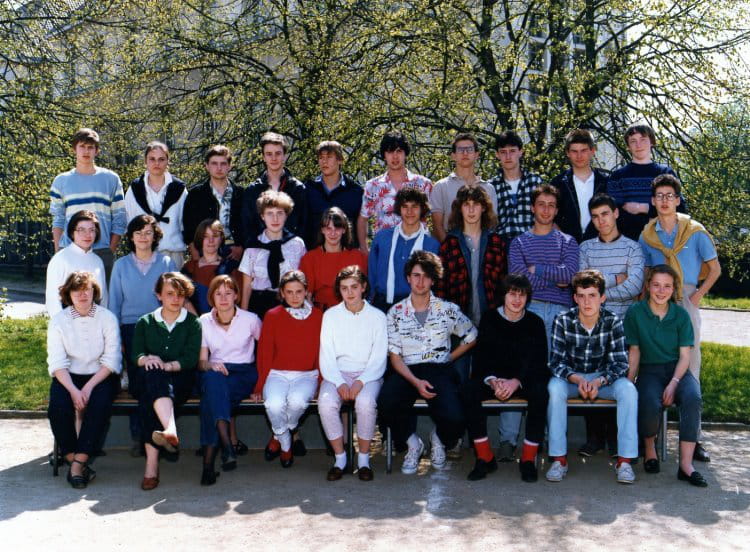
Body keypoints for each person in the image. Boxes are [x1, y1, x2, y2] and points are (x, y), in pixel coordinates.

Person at [639, 174, 721, 462]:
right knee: (654, 360)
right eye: (659, 196)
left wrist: (696, 297)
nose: (664, 201)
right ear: (653, 201)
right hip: (657, 298)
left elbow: (714, 268)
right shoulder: (647, 235)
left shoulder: (694, 231)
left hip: (685, 295)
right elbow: (646, 272)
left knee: (691, 364)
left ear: (677, 200)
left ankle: (694, 438)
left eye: (670, 196)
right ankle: (650, 435)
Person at [377, 251, 477, 474]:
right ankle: (413, 444)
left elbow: (471, 335)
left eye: (426, 276)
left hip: (439, 369)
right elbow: (395, 357)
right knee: (385, 402)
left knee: (456, 416)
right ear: (408, 278)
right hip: (407, 370)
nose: (420, 281)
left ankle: (438, 438)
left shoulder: (447, 309)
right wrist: (415, 382)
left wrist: (450, 357)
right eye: (416, 275)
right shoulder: (395, 312)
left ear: (433, 280)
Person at [546, 270, 638, 484]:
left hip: (602, 379)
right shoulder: (563, 320)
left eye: (592, 295)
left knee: (628, 390)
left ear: (602, 297)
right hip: (572, 378)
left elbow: (620, 363)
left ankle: (624, 461)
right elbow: (556, 362)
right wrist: (577, 379)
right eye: (581, 296)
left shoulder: (613, 321)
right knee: (554, 389)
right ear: (575, 298)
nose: (587, 302)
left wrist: (599, 381)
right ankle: (559, 459)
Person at [459, 274, 548, 482]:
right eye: (512, 294)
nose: (517, 300)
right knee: (468, 390)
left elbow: (539, 361)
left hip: (522, 380)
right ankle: (485, 457)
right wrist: (492, 380)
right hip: (495, 380)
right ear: (503, 296)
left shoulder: (535, 322)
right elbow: (481, 357)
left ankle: (528, 459)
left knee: (541, 392)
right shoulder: (489, 318)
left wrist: (516, 381)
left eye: (522, 295)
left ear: (528, 298)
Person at [624, 265, 706, 486]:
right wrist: (629, 383)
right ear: (648, 286)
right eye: (656, 285)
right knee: (649, 400)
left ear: (674, 288)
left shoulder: (680, 315)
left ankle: (686, 465)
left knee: (693, 397)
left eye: (667, 286)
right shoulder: (635, 313)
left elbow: (685, 357)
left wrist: (674, 383)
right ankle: (650, 449)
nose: (661, 291)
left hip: (678, 369)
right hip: (650, 370)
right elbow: (635, 351)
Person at [577, 193, 645, 458]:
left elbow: (634, 286)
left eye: (605, 214)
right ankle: (594, 437)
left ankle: (617, 438)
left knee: (619, 379)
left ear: (616, 213)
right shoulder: (586, 249)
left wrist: (598, 290)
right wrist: (616, 278)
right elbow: (582, 285)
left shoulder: (632, 248)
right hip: (592, 324)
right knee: (592, 375)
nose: (601, 220)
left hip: (624, 324)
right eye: (595, 216)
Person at [109, 214, 176, 455]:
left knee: (154, 377)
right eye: (138, 233)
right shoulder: (121, 266)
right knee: (140, 383)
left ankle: (147, 437)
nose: (143, 237)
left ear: (155, 236)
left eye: (148, 232)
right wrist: (117, 339)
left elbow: (175, 301)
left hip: (160, 329)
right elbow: (114, 305)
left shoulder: (167, 263)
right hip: (131, 330)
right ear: (131, 237)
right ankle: (145, 435)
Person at [47, 271, 120, 489]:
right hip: (68, 377)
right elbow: (57, 362)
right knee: (58, 407)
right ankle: (75, 460)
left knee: (99, 406)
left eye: (87, 290)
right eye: (76, 291)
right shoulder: (59, 321)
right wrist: (73, 390)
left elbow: (112, 359)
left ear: (94, 292)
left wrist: (87, 388)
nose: (82, 295)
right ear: (68, 294)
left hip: (101, 376)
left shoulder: (107, 318)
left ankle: (77, 464)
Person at [132, 272, 201, 491]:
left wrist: (168, 365)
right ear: (159, 295)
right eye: (170, 293)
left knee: (148, 401)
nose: (175, 299)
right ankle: (170, 429)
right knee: (153, 375)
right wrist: (147, 359)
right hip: (149, 375)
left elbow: (191, 358)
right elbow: (136, 354)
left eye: (180, 294)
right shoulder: (145, 322)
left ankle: (151, 467)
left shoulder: (193, 323)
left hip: (180, 379)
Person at [318, 266, 388, 481]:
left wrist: (361, 381)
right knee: (326, 403)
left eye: (354, 287)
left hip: (369, 374)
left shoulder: (377, 317)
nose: (349, 292)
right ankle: (340, 459)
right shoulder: (330, 316)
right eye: (344, 288)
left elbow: (379, 356)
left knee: (365, 403)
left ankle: (364, 460)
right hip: (337, 373)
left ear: (363, 287)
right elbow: (326, 354)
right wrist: (338, 381)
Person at [435, 185, 506, 384]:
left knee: (489, 380)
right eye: (467, 205)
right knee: (460, 380)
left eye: (476, 204)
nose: (472, 210)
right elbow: (440, 289)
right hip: (459, 325)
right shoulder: (449, 244)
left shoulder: (496, 242)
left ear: (484, 208)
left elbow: (503, 284)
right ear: (460, 209)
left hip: (490, 322)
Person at [197, 275, 262, 486]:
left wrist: (261, 385)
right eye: (218, 294)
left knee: (211, 400)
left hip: (243, 373)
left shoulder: (251, 319)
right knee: (212, 386)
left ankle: (210, 463)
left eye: (228, 293)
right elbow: (202, 362)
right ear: (211, 298)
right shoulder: (203, 321)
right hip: (216, 372)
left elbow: (265, 352)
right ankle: (226, 447)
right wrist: (211, 365)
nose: (223, 298)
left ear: (236, 295)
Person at [254, 270, 323, 468]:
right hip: (277, 374)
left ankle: (278, 436)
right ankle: (286, 444)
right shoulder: (273, 315)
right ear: (282, 293)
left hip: (307, 375)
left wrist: (320, 381)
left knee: (298, 403)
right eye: (289, 292)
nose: (294, 297)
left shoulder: (318, 316)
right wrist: (260, 385)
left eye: (299, 291)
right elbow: (265, 353)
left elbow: (321, 351)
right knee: (273, 405)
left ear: (306, 292)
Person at [49, 128, 127, 279]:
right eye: (82, 146)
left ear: (97, 151)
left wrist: (110, 250)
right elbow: (58, 219)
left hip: (102, 251)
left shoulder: (111, 179)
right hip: (69, 250)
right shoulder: (61, 181)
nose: (86, 151)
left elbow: (120, 218)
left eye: (90, 147)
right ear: (74, 149)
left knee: (101, 294)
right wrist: (59, 251)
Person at [357, 130, 433, 253]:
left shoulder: (423, 184)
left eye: (399, 151)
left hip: (418, 250)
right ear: (384, 155)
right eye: (390, 151)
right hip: (385, 250)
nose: (395, 156)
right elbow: (363, 219)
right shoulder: (373, 186)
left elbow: (435, 218)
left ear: (406, 153)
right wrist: (365, 251)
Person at [607, 123, 685, 240]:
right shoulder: (617, 177)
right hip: (629, 242)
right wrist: (651, 219)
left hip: (663, 241)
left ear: (652, 142)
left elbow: (679, 208)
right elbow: (613, 215)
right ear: (628, 146)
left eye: (643, 140)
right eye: (633, 141)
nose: (638, 145)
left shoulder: (665, 173)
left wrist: (642, 208)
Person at [368, 187, 439, 313]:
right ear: (399, 209)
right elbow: (371, 274)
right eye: (405, 206)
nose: (409, 211)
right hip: (381, 305)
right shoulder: (382, 238)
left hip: (416, 307)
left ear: (422, 209)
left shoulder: (432, 245)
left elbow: (435, 284)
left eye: (414, 206)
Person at [239, 190, 307, 318]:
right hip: (259, 306)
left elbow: (304, 280)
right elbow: (246, 287)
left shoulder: (297, 244)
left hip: (290, 304)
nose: (275, 219)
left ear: (286, 215)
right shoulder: (253, 246)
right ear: (262, 216)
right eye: (270, 213)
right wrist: (244, 316)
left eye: (280, 213)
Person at [124, 141, 188, 269]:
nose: (156, 163)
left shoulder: (179, 189)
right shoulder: (135, 189)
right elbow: (129, 222)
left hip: (173, 253)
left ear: (168, 161)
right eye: (152, 159)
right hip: (142, 255)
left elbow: (185, 224)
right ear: (145, 161)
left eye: (161, 159)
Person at [182, 144, 245, 264]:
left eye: (223, 163)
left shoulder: (241, 194)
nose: (219, 168)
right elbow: (188, 226)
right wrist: (195, 253)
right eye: (214, 163)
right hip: (205, 251)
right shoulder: (196, 194)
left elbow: (248, 224)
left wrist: (241, 247)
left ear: (229, 166)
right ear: (207, 166)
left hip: (235, 252)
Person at [429, 133, 498, 242]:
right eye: (460, 150)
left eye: (469, 149)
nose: (465, 153)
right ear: (453, 155)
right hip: (449, 247)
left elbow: (491, 225)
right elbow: (437, 226)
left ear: (476, 155)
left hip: (482, 247)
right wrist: (450, 249)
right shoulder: (441, 186)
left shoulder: (489, 188)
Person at [242, 132, 307, 242]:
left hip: (291, 248)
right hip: (260, 248)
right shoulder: (252, 190)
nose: (274, 158)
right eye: (269, 154)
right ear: (263, 157)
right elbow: (247, 227)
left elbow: (304, 226)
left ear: (285, 156)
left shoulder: (297, 189)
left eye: (278, 153)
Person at [299, 207, 368, 311]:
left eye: (337, 228)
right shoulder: (310, 258)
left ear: (344, 230)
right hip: (320, 313)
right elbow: (306, 296)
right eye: (328, 228)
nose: (333, 233)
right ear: (322, 230)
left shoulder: (357, 257)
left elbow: (364, 292)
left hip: (351, 312)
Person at [46, 210, 109, 317]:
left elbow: (103, 298)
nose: (87, 235)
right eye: (81, 230)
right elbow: (52, 300)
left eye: (92, 230)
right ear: (72, 232)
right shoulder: (60, 259)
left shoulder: (98, 261)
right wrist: (62, 323)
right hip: (68, 320)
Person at [551, 129, 610, 243]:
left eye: (583, 150)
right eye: (574, 151)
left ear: (592, 151)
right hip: (567, 245)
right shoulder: (558, 183)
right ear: (567, 152)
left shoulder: (605, 182)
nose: (579, 156)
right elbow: (550, 217)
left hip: (600, 244)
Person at [304, 140, 364, 249]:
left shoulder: (356, 192)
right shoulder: (308, 189)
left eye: (329, 157)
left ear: (340, 160)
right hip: (314, 255)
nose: (324, 161)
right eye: (321, 157)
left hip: (346, 255)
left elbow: (360, 229)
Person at [488, 130, 543, 241]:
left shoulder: (535, 182)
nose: (508, 156)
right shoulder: (491, 187)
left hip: (532, 242)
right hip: (501, 244)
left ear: (520, 152)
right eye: (503, 152)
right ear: (497, 154)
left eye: (512, 151)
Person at [182, 219, 243, 315]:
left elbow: (238, 300)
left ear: (221, 238)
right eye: (205, 236)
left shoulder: (231, 267)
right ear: (199, 239)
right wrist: (198, 321)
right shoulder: (189, 268)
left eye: (215, 236)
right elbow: (182, 298)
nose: (211, 241)